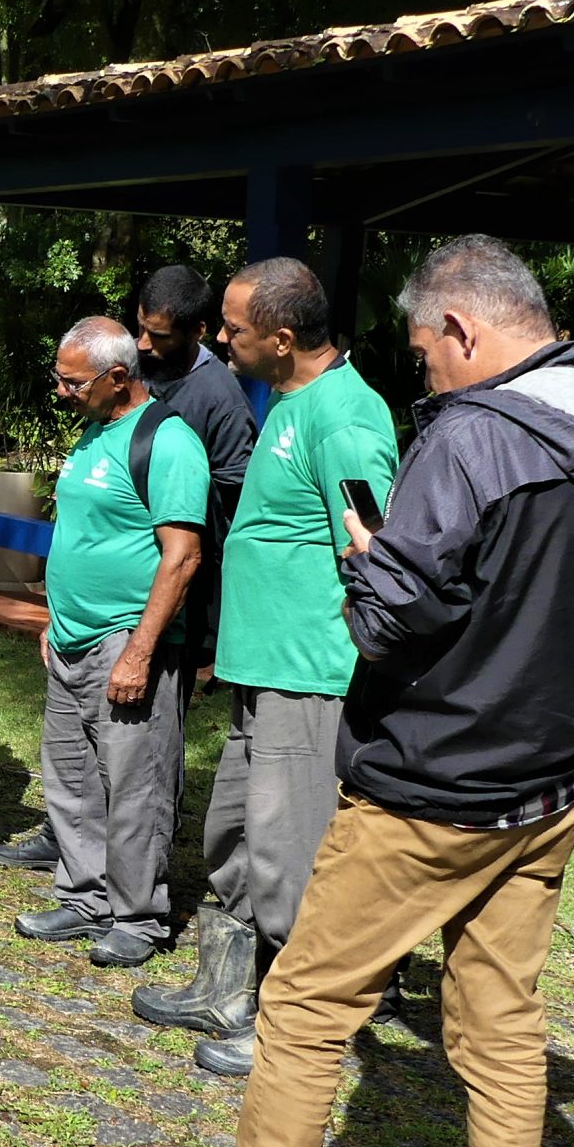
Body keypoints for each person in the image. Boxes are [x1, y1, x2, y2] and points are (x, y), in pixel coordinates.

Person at [161, 235, 574, 1147]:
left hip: (428, 788)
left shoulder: (470, 442)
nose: (428, 377)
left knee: (307, 1014)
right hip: (550, 790)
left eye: (426, 354)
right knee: (501, 1036)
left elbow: (389, 622)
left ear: (462, 329)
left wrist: (372, 567)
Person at [133, 258, 397, 1076]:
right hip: (262, 672)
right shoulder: (289, 401)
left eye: (234, 328)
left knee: (291, 855)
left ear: (283, 339)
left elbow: (373, 553)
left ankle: (294, 1028)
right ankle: (224, 987)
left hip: (309, 677)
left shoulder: (346, 419)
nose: (218, 336)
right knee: (236, 840)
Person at [0, 264, 255, 872]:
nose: (146, 345)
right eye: (141, 330)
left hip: (165, 597)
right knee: (80, 759)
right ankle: (76, 856)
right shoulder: (108, 410)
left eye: (160, 336)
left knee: (140, 763)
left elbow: (227, 506)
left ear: (198, 331)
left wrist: (170, 496)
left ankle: (135, 887)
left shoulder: (213, 400)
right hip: (86, 623)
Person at [18, 317, 208, 969]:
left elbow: (181, 557)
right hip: (72, 639)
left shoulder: (169, 442)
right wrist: (57, 615)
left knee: (134, 783)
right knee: (71, 775)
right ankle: (84, 896)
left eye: (73, 382)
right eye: (60, 378)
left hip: (127, 641)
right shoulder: (96, 432)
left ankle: (137, 915)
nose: (62, 392)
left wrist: (139, 650)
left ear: (118, 377)